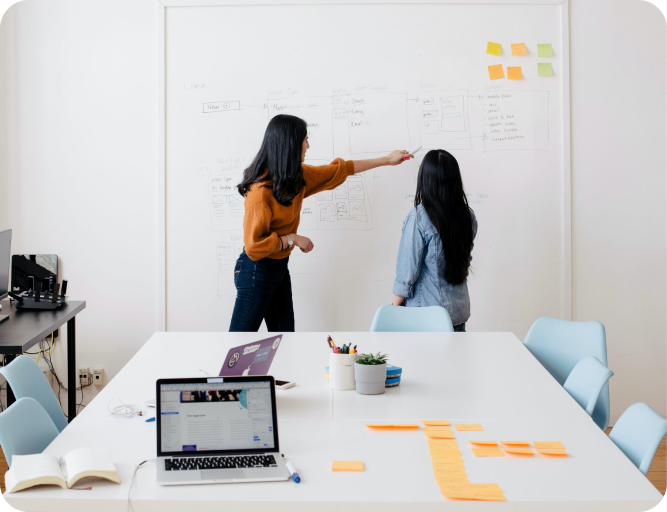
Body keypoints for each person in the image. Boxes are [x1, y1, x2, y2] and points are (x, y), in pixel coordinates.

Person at [230, 114, 412, 332]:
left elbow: (340, 170)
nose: (308, 145)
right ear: (290, 144)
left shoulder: (295, 177)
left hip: (278, 268)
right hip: (255, 270)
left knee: (285, 340)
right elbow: (253, 247)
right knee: (239, 345)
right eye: (305, 140)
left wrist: (387, 160)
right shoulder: (259, 193)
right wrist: (291, 239)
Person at [392, 150, 477, 332]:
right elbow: (464, 262)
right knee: (454, 361)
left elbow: (407, 273)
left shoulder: (419, 217)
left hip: (425, 316)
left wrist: (393, 308)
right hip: (457, 313)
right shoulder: (467, 216)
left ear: (425, 179)